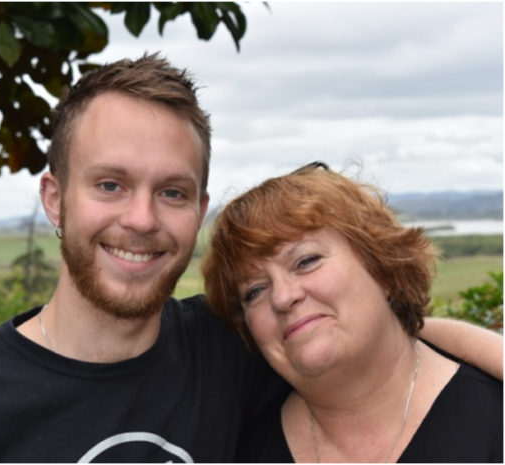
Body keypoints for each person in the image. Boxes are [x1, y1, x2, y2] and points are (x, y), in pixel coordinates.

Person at [0, 55, 501, 462]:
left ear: (198, 207)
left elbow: (375, 345)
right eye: (110, 185)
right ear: (55, 198)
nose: (141, 219)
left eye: (172, 192)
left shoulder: (227, 348)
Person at [201, 161, 503, 462]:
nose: (282, 297)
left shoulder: (493, 419)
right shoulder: (238, 449)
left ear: (382, 266)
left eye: (306, 261)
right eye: (254, 291)